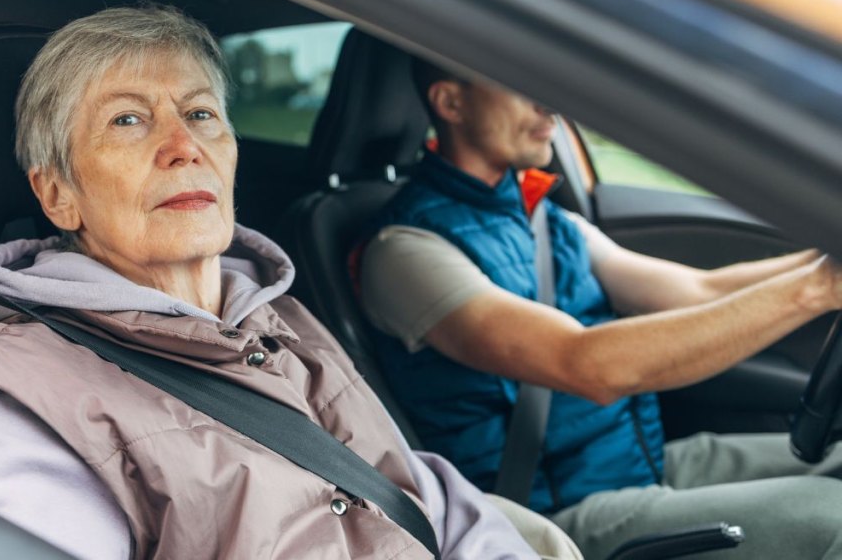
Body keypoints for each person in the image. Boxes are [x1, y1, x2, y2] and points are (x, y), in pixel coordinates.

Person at [0, 6, 583, 560]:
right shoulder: (18, 404)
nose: (183, 144)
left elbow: (420, 492)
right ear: (59, 193)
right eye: (128, 120)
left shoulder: (283, 320)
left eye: (200, 114)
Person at [357, 57, 842, 559]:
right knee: (834, 520)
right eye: (520, 82)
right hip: (553, 509)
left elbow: (698, 292)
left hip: (633, 462)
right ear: (451, 102)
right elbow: (586, 364)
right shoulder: (405, 249)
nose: (550, 105)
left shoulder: (546, 220)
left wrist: (824, 257)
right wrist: (818, 289)